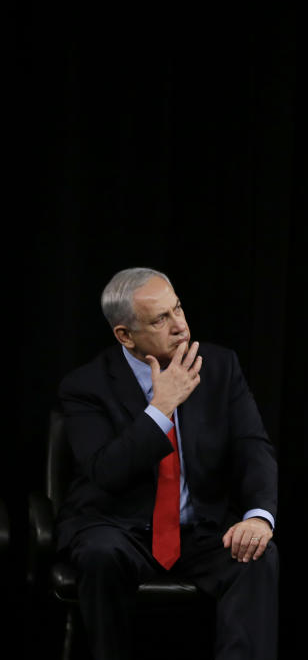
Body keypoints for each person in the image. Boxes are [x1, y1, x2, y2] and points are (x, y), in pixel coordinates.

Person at [56, 267, 279, 660]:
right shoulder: (86, 386)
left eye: (178, 309)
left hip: (200, 530)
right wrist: (161, 408)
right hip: (117, 525)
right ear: (125, 335)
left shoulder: (220, 368)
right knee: (100, 555)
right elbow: (106, 472)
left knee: (256, 556)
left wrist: (258, 516)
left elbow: (252, 447)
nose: (180, 326)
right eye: (161, 319)